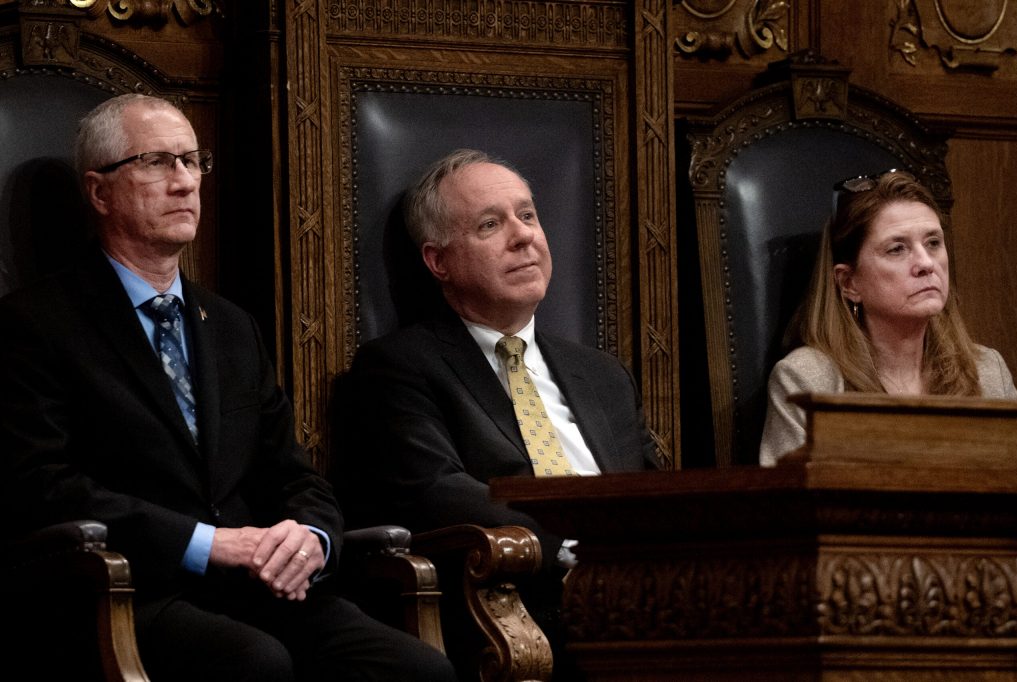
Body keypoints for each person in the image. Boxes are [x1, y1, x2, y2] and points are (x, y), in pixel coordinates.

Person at [0, 93, 455, 682]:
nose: (185, 182)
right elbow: (42, 486)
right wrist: (203, 543)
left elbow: (292, 472)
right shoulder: (35, 324)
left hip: (257, 587)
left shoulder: (233, 328)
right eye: (158, 162)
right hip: (124, 588)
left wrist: (311, 538)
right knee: (254, 663)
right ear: (99, 191)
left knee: (419, 670)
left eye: (193, 162)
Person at [333, 148, 661, 676]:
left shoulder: (602, 375)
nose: (523, 235)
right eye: (491, 224)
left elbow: (652, 486)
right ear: (438, 261)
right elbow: (435, 490)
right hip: (519, 599)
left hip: (646, 591)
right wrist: (575, 547)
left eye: (527, 216)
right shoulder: (399, 367)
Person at [760, 169, 1017, 466]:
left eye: (933, 243)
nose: (926, 263)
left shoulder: (987, 371)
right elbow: (785, 507)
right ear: (849, 283)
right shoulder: (807, 380)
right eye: (897, 249)